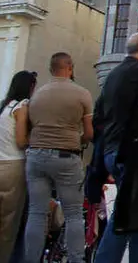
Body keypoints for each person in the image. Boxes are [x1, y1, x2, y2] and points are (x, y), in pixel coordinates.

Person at [23, 52, 94, 263]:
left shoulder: (37, 95)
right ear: (70, 68)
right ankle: (75, 259)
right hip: (66, 155)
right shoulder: (81, 94)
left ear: (50, 69)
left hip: (36, 155)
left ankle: (31, 259)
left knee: (36, 212)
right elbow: (90, 133)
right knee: (73, 214)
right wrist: (79, 140)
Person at [95, 32, 138, 263]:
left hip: (112, 149)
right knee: (125, 216)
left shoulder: (112, 75)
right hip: (128, 151)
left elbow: (98, 115)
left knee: (137, 215)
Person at [0, 69, 36, 263]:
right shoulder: (21, 106)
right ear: (29, 87)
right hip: (10, 167)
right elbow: (21, 140)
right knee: (8, 226)